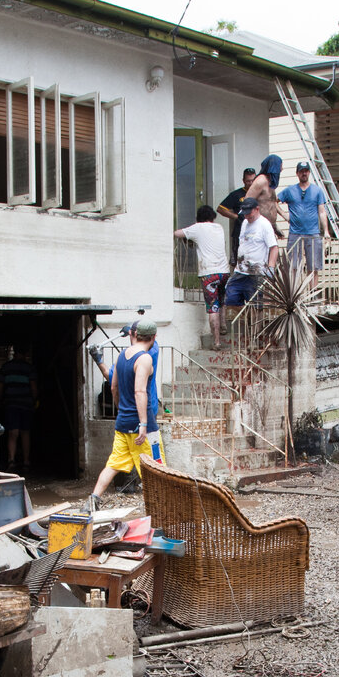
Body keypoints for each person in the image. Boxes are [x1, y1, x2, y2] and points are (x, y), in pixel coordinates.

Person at [92, 320, 163, 504]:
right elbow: (140, 391)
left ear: (133, 335)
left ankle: (93, 500)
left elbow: (113, 386)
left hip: (122, 422)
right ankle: (159, 513)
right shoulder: (146, 357)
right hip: (143, 424)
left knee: (113, 464)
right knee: (156, 469)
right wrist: (143, 424)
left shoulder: (121, 356)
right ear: (154, 337)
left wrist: (121, 408)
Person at [176, 206, 231, 349]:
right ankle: (223, 324)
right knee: (222, 300)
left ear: (198, 217)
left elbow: (177, 234)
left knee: (213, 308)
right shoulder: (219, 227)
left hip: (209, 274)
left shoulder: (198, 227)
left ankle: (217, 341)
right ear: (212, 216)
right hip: (224, 272)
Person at [220, 196, 278, 321]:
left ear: (257, 209)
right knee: (231, 298)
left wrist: (271, 268)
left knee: (256, 304)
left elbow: (274, 247)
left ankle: (255, 331)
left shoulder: (264, 225)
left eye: (249, 213)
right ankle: (247, 322)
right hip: (240, 271)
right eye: (245, 214)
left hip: (256, 273)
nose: (247, 216)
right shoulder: (245, 222)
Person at [278, 160, 330, 276]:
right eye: (301, 171)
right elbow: (274, 202)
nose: (304, 173)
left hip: (313, 234)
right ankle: (296, 294)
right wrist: (284, 214)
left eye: (306, 171)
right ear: (297, 173)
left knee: (313, 268)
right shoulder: (289, 190)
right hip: (295, 234)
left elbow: (322, 212)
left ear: (309, 173)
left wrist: (326, 231)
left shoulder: (317, 191)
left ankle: (313, 294)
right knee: (294, 267)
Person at [0, 346, 37, 473]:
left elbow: (0, 388)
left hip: (11, 405)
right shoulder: (29, 368)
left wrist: (1, 401)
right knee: (25, 433)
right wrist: (34, 400)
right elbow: (34, 388)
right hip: (26, 405)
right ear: (25, 354)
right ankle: (26, 462)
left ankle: (11, 461)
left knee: (12, 433)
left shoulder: (5, 368)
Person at [217, 167, 256, 267]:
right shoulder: (236, 194)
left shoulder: (260, 193)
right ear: (243, 181)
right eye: (248, 181)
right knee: (238, 262)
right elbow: (220, 209)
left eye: (253, 180)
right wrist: (236, 216)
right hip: (239, 234)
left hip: (256, 234)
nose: (251, 183)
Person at [247, 154, 285, 230]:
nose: (281, 169)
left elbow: (270, 203)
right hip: (259, 227)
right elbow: (247, 202)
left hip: (269, 227)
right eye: (280, 166)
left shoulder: (270, 183)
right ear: (274, 167)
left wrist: (275, 226)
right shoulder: (261, 181)